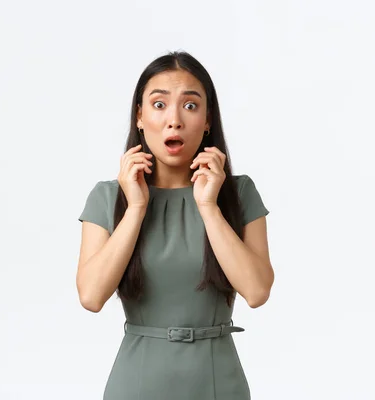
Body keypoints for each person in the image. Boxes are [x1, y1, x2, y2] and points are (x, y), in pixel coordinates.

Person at [76, 51, 274, 400]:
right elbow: (91, 297)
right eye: (159, 104)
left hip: (217, 383)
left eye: (191, 106)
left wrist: (208, 206)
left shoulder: (238, 193)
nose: (174, 120)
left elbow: (257, 291)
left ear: (208, 119)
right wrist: (136, 207)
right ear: (139, 116)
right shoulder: (108, 198)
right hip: (137, 384)